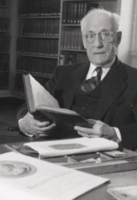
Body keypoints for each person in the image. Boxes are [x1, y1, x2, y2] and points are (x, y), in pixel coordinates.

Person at [17, 8, 137, 150]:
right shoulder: (63, 73)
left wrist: (114, 133)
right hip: (54, 150)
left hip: (102, 157)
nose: (97, 43)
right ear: (84, 41)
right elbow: (29, 106)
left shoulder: (134, 79)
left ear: (118, 38)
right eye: (90, 36)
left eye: (105, 35)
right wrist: (24, 122)